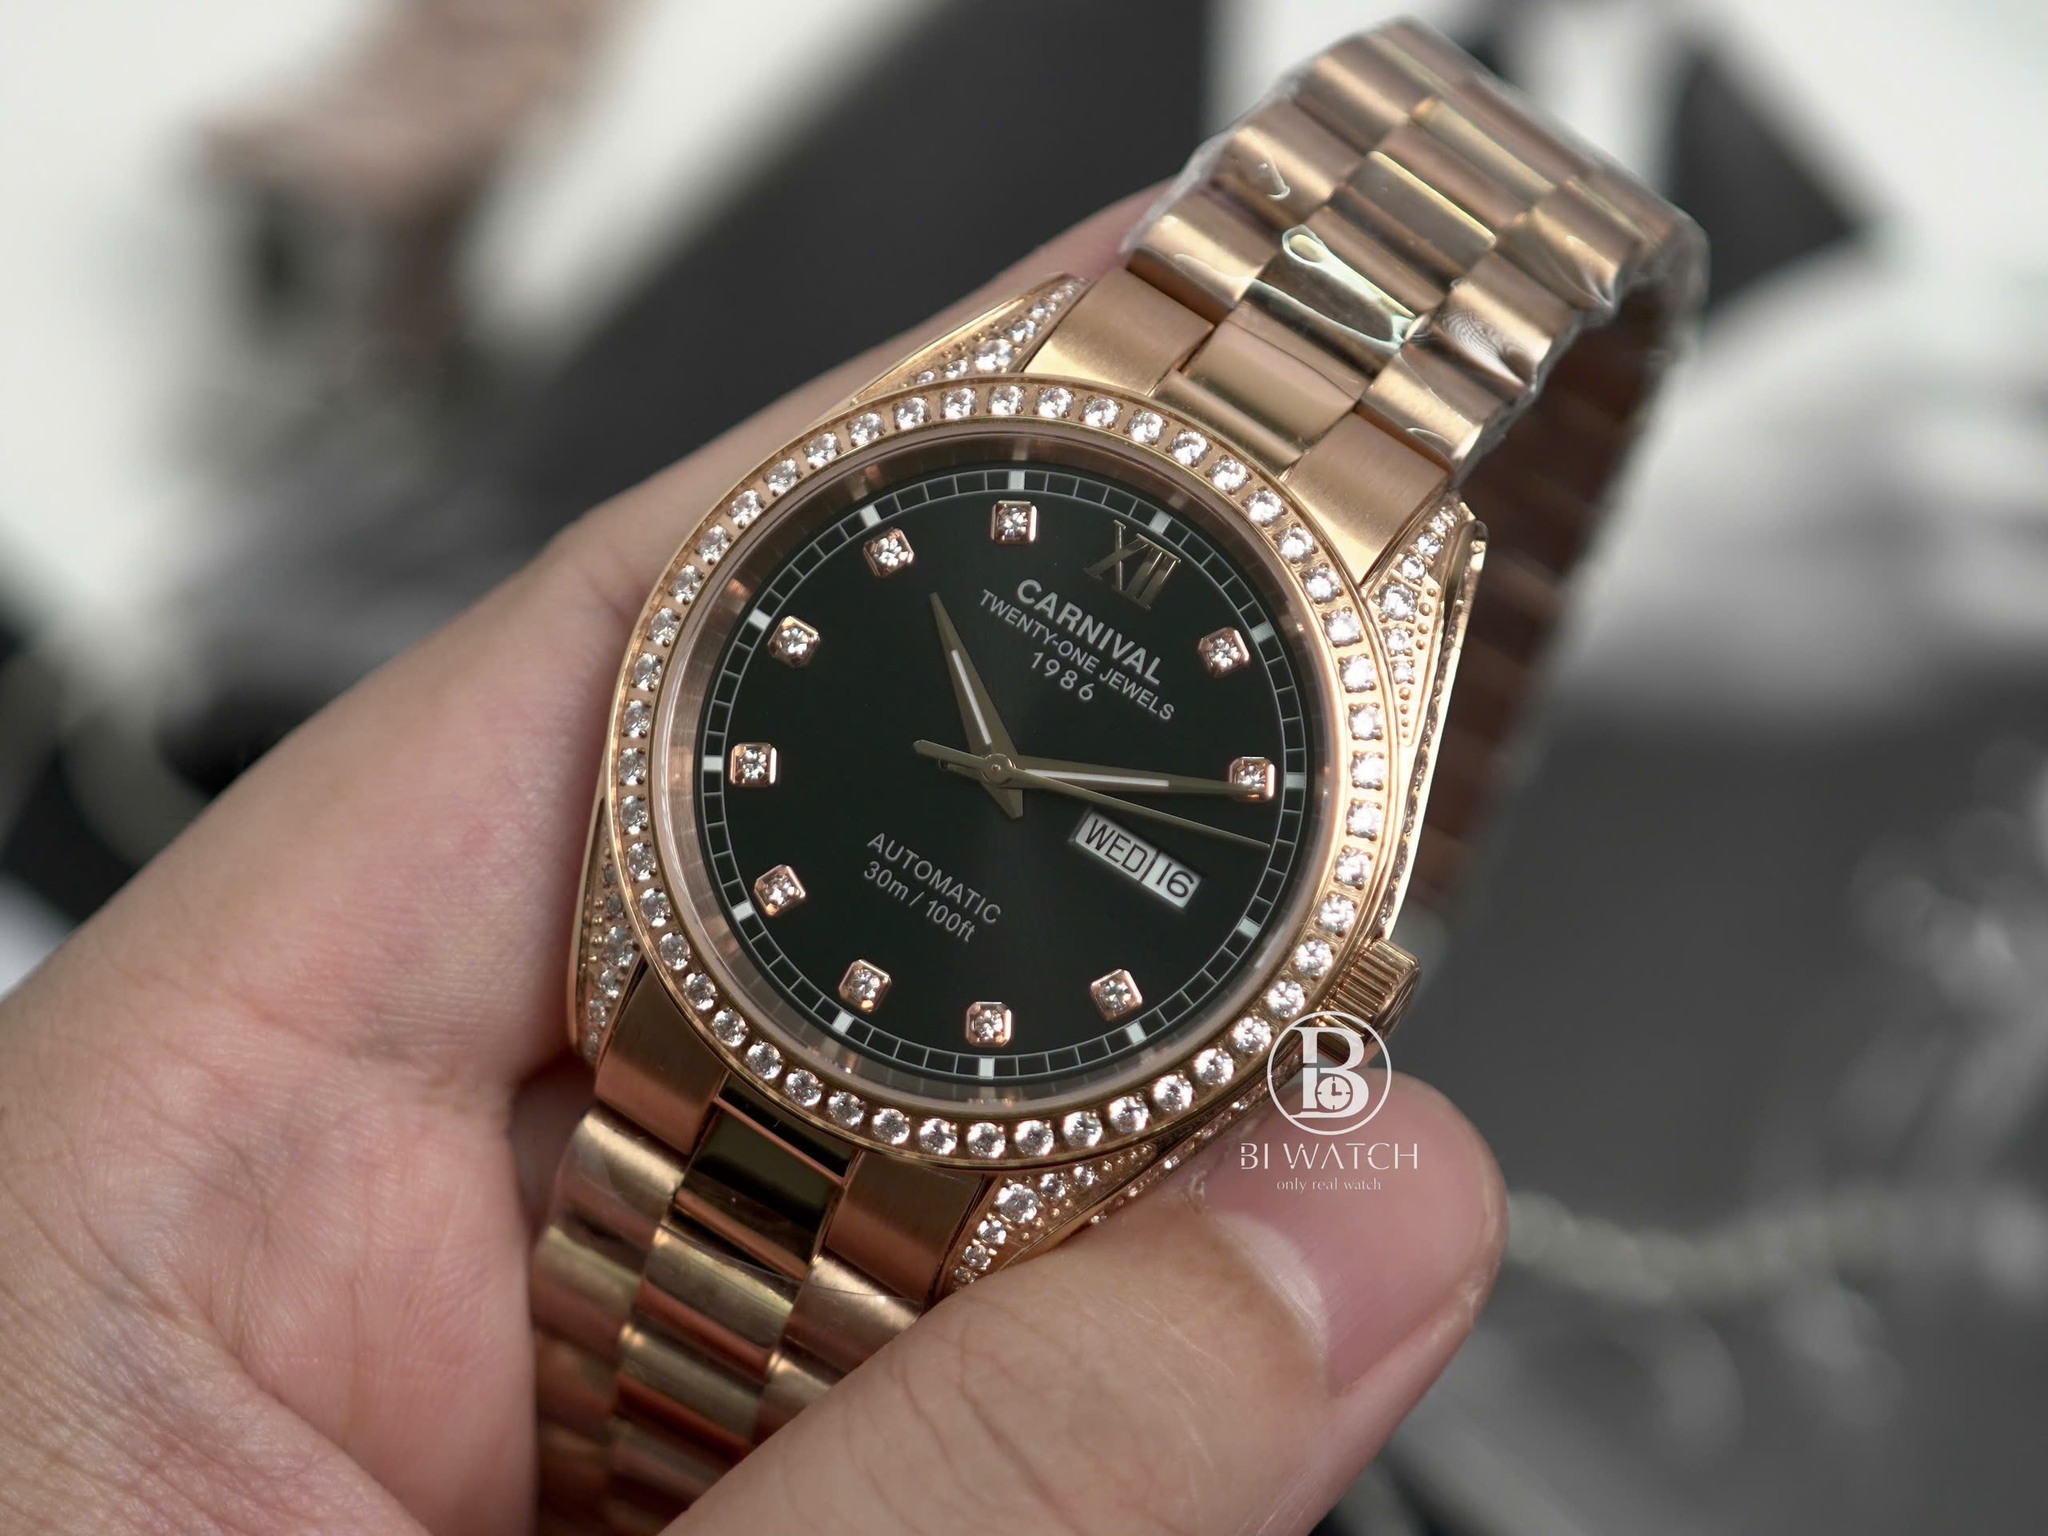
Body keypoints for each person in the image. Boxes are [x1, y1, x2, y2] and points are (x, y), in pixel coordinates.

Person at [0, 195, 1503, 1535]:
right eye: (1002, 765)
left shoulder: (1384, 601)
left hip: (923, 1101)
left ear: (1340, 969)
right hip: (723, 1016)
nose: (1002, 782)